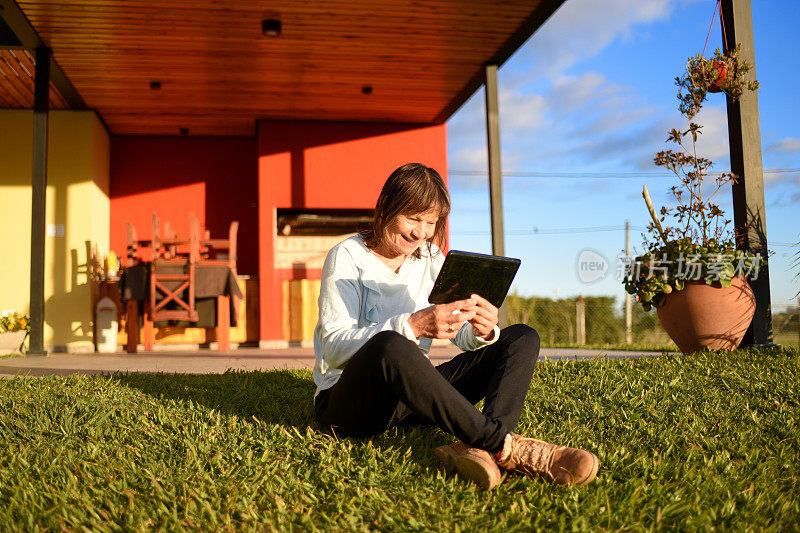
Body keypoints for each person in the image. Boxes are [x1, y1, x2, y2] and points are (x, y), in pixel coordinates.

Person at [312, 163, 598, 489]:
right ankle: (505, 446)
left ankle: (480, 449)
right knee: (391, 343)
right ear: (387, 205)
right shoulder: (347, 256)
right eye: (413, 218)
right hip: (350, 403)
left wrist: (480, 330)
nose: (421, 232)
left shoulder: (430, 256)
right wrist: (412, 325)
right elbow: (334, 349)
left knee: (519, 337)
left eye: (431, 222)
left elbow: (457, 335)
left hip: (411, 398)